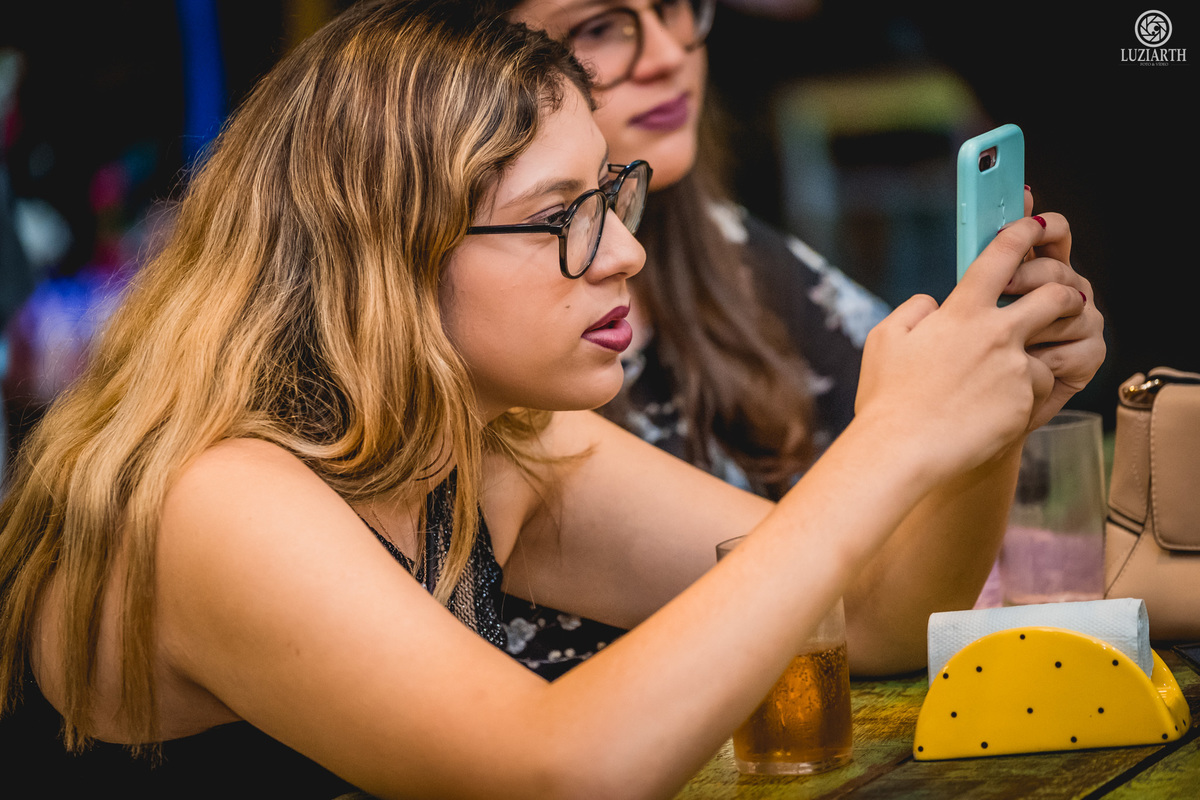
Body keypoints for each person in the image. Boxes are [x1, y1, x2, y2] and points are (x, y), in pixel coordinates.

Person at [0, 1, 1102, 797]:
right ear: (390, 251)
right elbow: (563, 771)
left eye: (610, 196)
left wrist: (981, 423)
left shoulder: (499, 447)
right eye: (559, 215)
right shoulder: (218, 498)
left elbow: (876, 622)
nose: (624, 251)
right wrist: (886, 442)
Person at [484, 0, 1098, 678]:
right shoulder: (504, 436)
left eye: (674, 8)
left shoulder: (733, 259)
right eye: (598, 28)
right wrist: (906, 428)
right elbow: (552, 741)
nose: (667, 55)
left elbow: (870, 613)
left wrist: (990, 407)